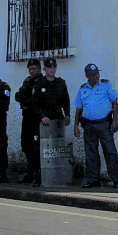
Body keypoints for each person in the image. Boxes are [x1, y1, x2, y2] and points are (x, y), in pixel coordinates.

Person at [73, 63, 118, 189]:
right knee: (91, 153)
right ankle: (93, 180)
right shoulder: (82, 89)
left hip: (104, 124)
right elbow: (79, 108)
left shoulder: (106, 85)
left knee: (110, 152)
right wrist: (76, 126)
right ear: (87, 75)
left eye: (97, 74)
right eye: (93, 75)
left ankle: (116, 180)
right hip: (89, 125)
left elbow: (114, 103)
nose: (96, 77)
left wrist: (115, 121)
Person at [32, 58, 71, 187]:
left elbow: (66, 100)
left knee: (57, 149)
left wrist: (67, 114)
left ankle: (57, 176)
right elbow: (35, 104)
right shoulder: (39, 84)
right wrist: (42, 116)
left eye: (54, 67)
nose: (52, 69)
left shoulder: (61, 83)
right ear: (44, 69)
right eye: (49, 67)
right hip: (44, 122)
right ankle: (38, 176)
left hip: (57, 120)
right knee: (42, 149)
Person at [17, 58, 43, 184]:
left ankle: (38, 174)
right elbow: (18, 96)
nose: (32, 71)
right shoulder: (27, 82)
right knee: (27, 145)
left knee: (36, 147)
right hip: (27, 116)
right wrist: (25, 85)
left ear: (39, 68)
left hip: (36, 118)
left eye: (34, 69)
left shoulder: (43, 82)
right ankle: (30, 172)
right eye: (30, 69)